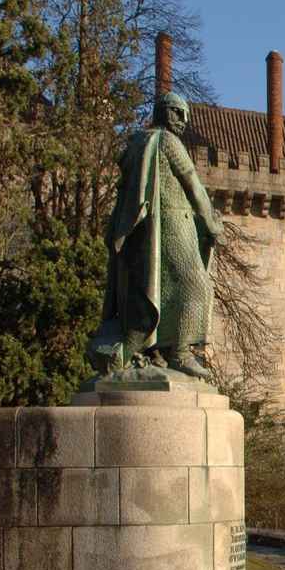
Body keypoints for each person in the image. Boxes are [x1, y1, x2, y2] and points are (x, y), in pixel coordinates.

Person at [89, 91, 221, 379]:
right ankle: (181, 353)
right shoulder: (168, 142)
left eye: (185, 114)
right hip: (173, 224)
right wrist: (211, 222)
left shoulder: (136, 143)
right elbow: (193, 185)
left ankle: (155, 350)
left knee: (157, 290)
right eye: (178, 113)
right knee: (197, 287)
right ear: (165, 112)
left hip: (144, 233)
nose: (184, 121)